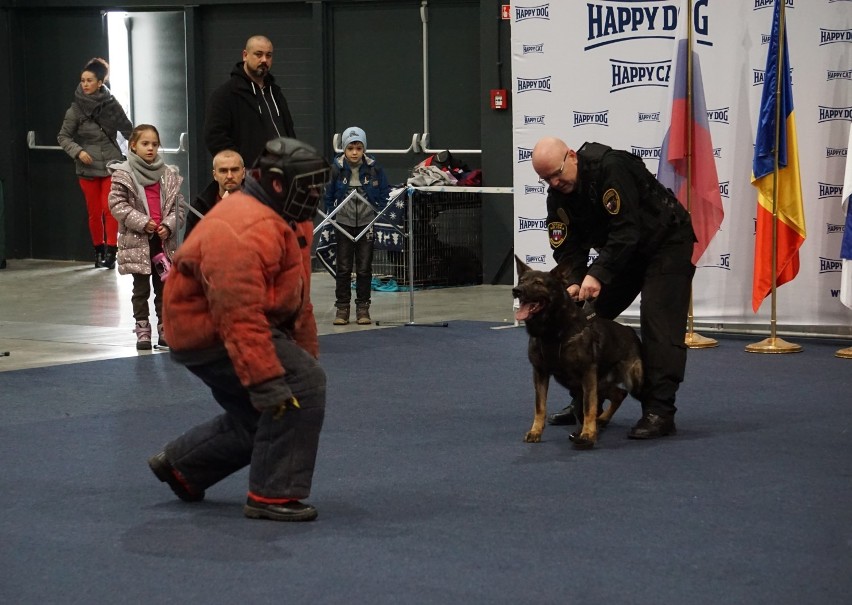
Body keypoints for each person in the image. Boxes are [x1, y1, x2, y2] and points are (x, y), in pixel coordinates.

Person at [148, 137, 331, 522]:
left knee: (267, 411)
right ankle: (272, 496)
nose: (315, 194)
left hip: (239, 324)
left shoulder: (290, 220)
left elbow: (298, 298)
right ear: (278, 184)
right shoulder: (242, 227)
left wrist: (302, 353)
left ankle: (183, 466)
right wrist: (268, 380)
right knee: (298, 387)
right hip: (208, 331)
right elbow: (237, 314)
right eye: (308, 186)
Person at [530, 137, 696, 439]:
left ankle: (659, 411)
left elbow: (626, 229)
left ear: (571, 156)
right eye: (546, 179)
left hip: (666, 243)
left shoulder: (612, 167)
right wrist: (576, 282)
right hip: (624, 254)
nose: (554, 182)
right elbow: (567, 248)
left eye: (557, 173)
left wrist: (599, 274)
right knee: (579, 319)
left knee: (658, 323)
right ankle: (585, 398)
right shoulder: (557, 197)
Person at [108, 124, 185, 351]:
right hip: (138, 242)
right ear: (133, 146)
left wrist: (169, 225)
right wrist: (143, 222)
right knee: (140, 290)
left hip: (163, 243)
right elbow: (117, 205)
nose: (150, 148)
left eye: (154, 144)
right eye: (145, 144)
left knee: (164, 289)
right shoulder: (123, 174)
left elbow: (178, 208)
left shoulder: (169, 175)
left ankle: (165, 330)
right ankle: (142, 330)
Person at [57, 57, 133, 269]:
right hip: (87, 167)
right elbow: (63, 137)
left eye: (90, 80)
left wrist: (144, 150)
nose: (85, 84)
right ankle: (98, 251)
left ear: (100, 82)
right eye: (83, 80)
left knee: (110, 209)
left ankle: (111, 253)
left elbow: (129, 131)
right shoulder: (75, 110)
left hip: (111, 163)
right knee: (94, 212)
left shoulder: (111, 105)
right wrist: (78, 151)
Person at [323, 126, 391, 325]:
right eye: (350, 148)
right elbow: (327, 196)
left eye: (358, 148)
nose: (354, 152)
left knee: (364, 268)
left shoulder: (374, 169)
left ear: (364, 149)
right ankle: (342, 309)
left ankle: (363, 308)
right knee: (343, 268)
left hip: (366, 223)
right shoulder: (335, 169)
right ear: (343, 149)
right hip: (343, 224)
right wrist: (331, 215)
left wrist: (378, 208)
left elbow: (385, 191)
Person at [203, 35, 296, 166]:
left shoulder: (275, 93)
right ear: (245, 55)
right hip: (249, 179)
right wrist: (240, 168)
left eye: (268, 55)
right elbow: (215, 138)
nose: (264, 60)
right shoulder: (226, 95)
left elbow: (289, 131)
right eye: (258, 54)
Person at [184, 149, 245, 238]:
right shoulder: (199, 207)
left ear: (243, 173)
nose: (229, 176)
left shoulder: (259, 203)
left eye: (234, 170)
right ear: (214, 175)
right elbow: (189, 248)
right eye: (223, 171)